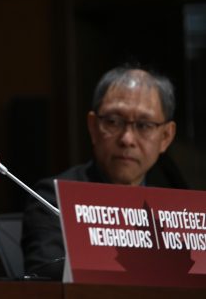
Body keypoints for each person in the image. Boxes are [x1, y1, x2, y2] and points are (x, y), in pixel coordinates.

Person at [21, 64, 187, 280]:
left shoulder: (179, 212)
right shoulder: (53, 198)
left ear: (166, 136)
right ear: (92, 126)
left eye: (144, 125)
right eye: (113, 122)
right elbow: (44, 280)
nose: (127, 139)